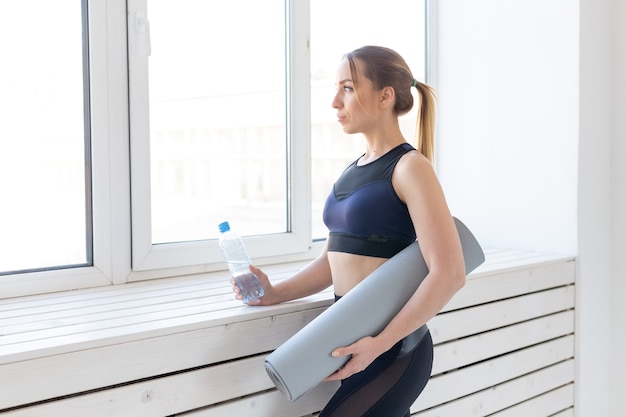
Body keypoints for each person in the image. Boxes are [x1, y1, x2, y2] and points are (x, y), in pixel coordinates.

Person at [231, 45, 466, 417]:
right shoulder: (352, 170)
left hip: (394, 350)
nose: (335, 102)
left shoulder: (410, 168)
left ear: (385, 96)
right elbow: (333, 261)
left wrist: (380, 343)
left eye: (348, 88)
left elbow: (450, 273)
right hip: (351, 343)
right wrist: (275, 293)